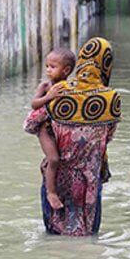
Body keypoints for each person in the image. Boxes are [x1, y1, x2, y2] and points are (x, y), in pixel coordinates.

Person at [39, 37, 121, 236]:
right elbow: (106, 138)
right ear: (106, 65)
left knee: (54, 240)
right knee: (88, 239)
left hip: (57, 177)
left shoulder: (58, 91)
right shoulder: (111, 99)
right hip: (90, 181)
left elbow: (31, 123)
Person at [24, 48, 76, 210]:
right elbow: (34, 104)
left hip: (61, 130)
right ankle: (51, 192)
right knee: (54, 159)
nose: (48, 70)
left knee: (65, 160)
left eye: (52, 67)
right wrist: (49, 97)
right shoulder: (46, 86)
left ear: (66, 70)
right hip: (45, 129)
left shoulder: (70, 87)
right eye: (47, 66)